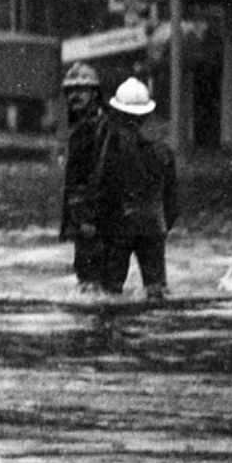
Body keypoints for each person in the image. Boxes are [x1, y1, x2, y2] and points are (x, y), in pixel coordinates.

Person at [90, 77, 178, 300]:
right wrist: (161, 227)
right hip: (154, 225)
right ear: (147, 115)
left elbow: (100, 186)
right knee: (156, 289)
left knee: (109, 292)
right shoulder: (164, 150)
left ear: (117, 112)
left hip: (119, 225)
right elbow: (172, 201)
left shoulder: (109, 147)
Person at [59, 61, 109, 293]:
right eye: (71, 91)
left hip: (93, 217)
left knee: (93, 279)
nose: (75, 96)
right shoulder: (81, 128)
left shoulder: (100, 128)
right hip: (83, 216)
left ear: (95, 93)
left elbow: (101, 173)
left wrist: (90, 215)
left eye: (81, 91)